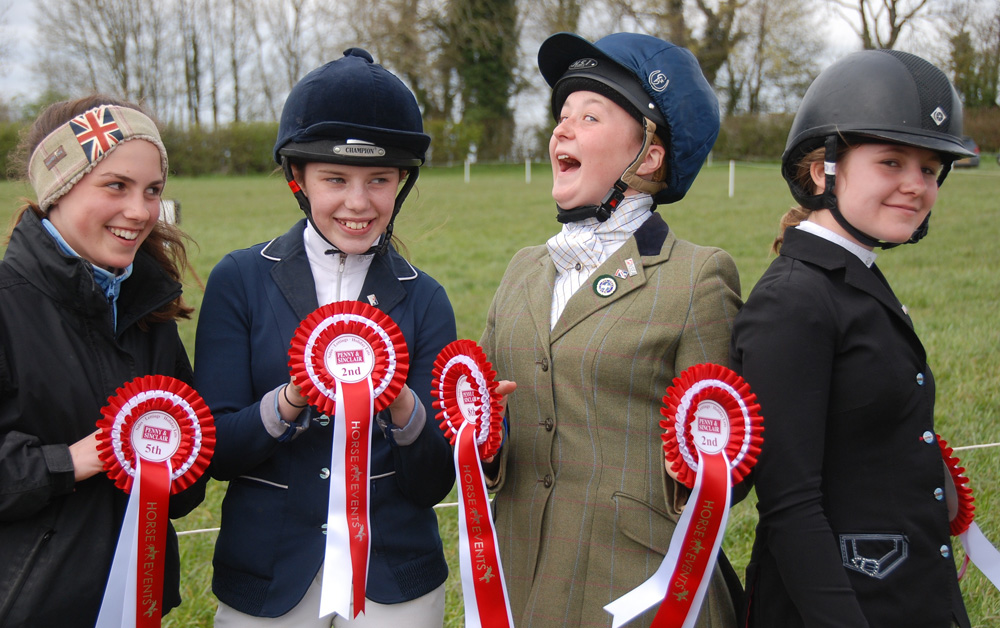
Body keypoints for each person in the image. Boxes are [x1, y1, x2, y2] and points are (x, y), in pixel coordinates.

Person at [480, 32, 742, 628]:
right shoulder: (522, 269)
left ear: (647, 156)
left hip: (640, 590)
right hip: (517, 577)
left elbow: (728, 461)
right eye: (562, 115)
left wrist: (699, 469)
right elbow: (491, 428)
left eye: (589, 116)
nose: (561, 131)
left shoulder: (697, 277)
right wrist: (487, 437)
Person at [194, 48, 456, 627]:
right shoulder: (238, 280)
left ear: (400, 183)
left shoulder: (427, 298)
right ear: (299, 179)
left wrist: (402, 402)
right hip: (268, 573)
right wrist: (289, 399)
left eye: (379, 180)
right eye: (335, 179)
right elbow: (216, 449)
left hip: (393, 579)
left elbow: (433, 479)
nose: (358, 203)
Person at [730, 49, 974, 628]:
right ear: (823, 171)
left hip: (905, 597)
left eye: (930, 168)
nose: (917, 185)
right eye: (891, 162)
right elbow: (790, 508)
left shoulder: (852, 277)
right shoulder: (792, 301)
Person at [0, 95, 204, 627]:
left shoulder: (149, 311)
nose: (140, 211)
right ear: (58, 189)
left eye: (152, 190)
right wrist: (73, 461)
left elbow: (184, 490)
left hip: (137, 607)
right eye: (116, 185)